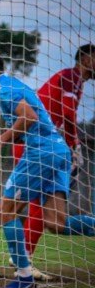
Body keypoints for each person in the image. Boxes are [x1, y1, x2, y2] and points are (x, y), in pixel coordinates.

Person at [0, 51, 95, 288]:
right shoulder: (12, 85)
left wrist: (3, 138)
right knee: (56, 222)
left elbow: (28, 116)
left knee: (6, 211)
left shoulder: (3, 88)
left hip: (41, 153)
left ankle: (23, 277)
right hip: (59, 151)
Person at [12, 44, 94, 272]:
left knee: (41, 203)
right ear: (86, 59)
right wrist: (74, 144)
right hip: (34, 143)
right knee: (39, 203)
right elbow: (68, 112)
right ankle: (22, 258)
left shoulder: (75, 81)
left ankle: (23, 256)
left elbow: (66, 114)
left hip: (37, 143)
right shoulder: (71, 76)